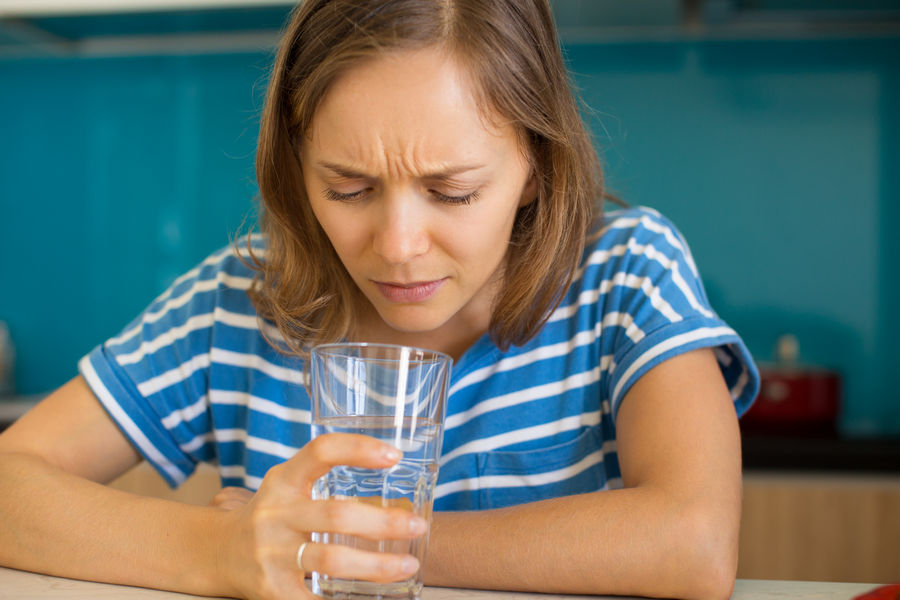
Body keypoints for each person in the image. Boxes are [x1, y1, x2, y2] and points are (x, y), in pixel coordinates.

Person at [0, 1, 759, 599]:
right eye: (349, 188)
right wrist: (217, 549)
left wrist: (351, 542)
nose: (397, 245)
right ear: (295, 166)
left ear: (535, 160)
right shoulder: (235, 304)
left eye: (452, 191)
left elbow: (691, 542)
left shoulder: (624, 273)